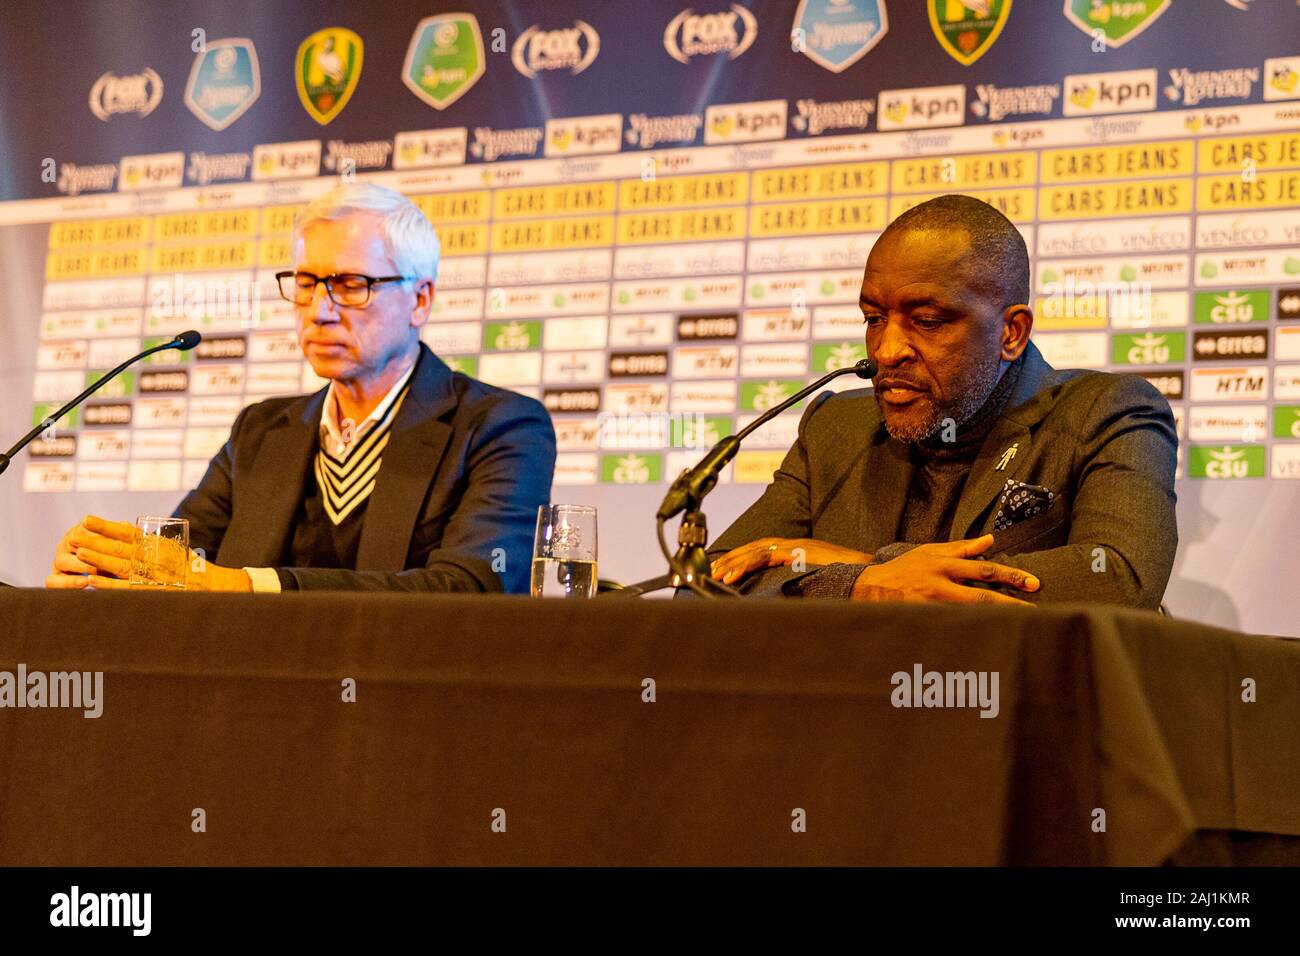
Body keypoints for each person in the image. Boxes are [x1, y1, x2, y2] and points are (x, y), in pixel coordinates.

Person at [47, 183, 555, 594]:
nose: (320, 310)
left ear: (420, 300)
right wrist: (106, 566)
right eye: (307, 283)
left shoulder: (501, 428)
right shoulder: (263, 429)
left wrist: (249, 586)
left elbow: (466, 587)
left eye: (353, 285)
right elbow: (183, 565)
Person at [705, 194, 1178, 609]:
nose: (887, 351)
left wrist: (881, 569)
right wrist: (864, 583)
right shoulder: (835, 427)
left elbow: (1120, 578)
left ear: (1010, 333)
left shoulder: (1107, 412)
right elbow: (706, 583)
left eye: (927, 321)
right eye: (873, 318)